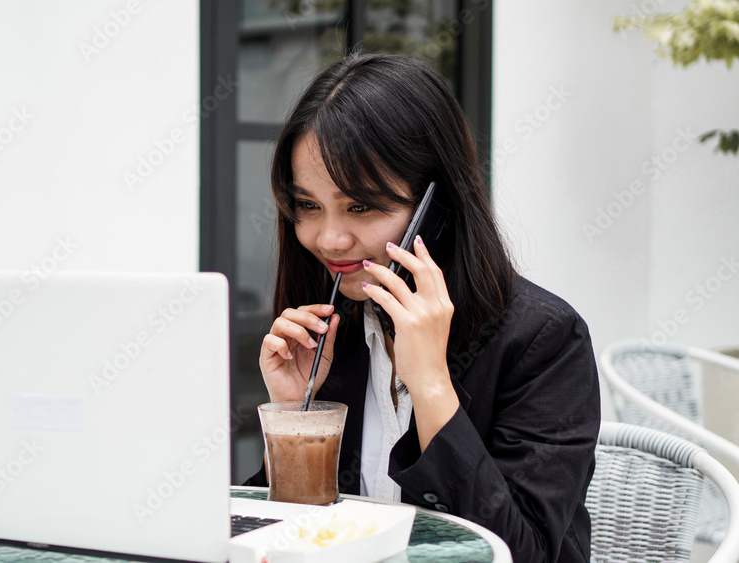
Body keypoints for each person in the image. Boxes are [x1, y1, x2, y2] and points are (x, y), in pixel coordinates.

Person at [244, 53, 601, 562]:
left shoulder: (541, 339)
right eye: (307, 206)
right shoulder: (330, 330)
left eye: (361, 206)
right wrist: (294, 414)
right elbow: (283, 540)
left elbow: (522, 554)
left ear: (436, 207)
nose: (328, 238)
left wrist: (431, 385)